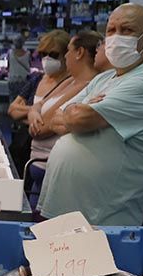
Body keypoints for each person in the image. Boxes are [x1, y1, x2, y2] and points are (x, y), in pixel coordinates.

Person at [39, 4, 143, 225]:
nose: (116, 37)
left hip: (104, 218)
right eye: (111, 30)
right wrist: (77, 113)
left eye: (126, 30)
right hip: (70, 213)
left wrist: (79, 112)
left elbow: (79, 119)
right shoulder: (106, 78)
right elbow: (56, 119)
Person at [24, 30, 102, 208]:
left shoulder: (87, 86)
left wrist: (36, 117)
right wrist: (34, 113)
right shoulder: (70, 81)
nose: (66, 56)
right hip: (39, 171)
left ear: (79, 53)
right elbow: (37, 107)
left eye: (68, 50)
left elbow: (41, 129)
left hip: (52, 172)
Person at [5, 30, 68, 176]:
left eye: (53, 55)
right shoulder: (36, 80)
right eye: (43, 55)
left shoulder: (71, 84)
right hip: (29, 155)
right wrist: (35, 111)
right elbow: (13, 110)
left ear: (67, 55)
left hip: (54, 162)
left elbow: (45, 126)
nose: (47, 59)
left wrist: (30, 115)